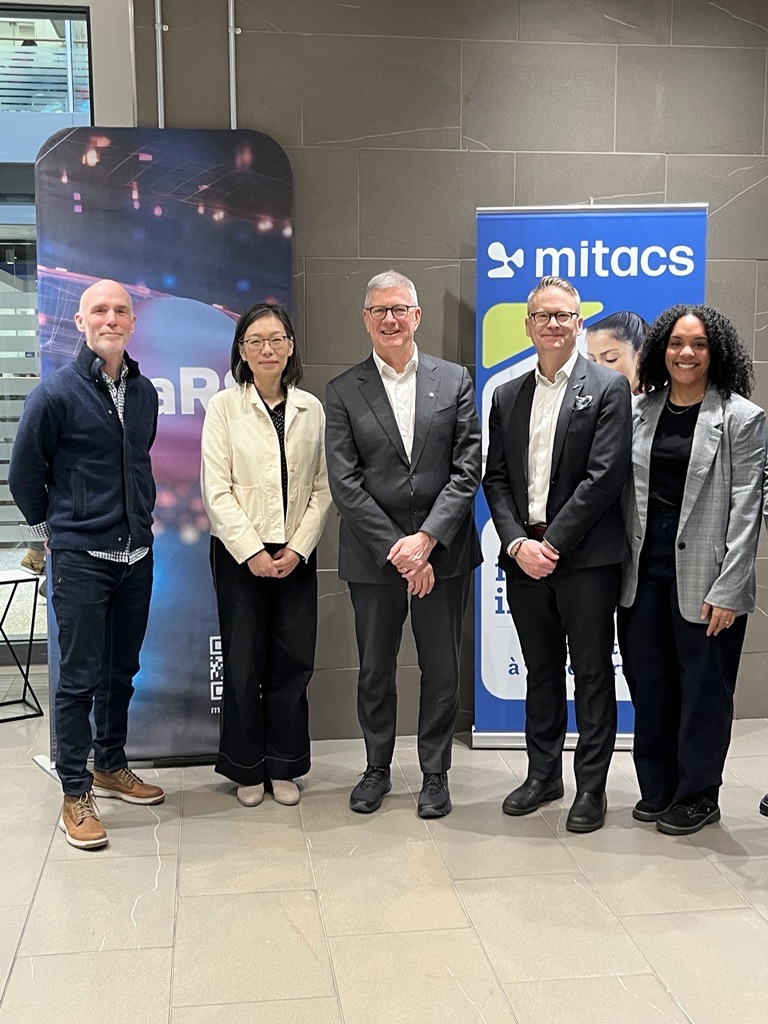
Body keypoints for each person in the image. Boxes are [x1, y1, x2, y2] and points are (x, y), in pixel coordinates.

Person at [8, 279, 163, 850]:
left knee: (121, 672)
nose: (111, 318)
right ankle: (75, 790)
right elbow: (26, 476)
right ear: (80, 322)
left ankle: (109, 764)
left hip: (136, 555)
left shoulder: (144, 392)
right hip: (81, 560)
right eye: (99, 309)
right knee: (76, 681)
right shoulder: (54, 394)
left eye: (121, 310)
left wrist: (141, 518)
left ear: (131, 322)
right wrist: (56, 533)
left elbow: (136, 467)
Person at [325, 271, 481, 819]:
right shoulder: (343, 390)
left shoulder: (455, 379)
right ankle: (377, 767)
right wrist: (400, 549)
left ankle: (435, 773)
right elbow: (344, 483)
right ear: (365, 319)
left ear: (417, 315)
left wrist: (427, 541)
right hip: (374, 559)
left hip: (445, 554)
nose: (390, 319)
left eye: (400, 309)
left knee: (442, 670)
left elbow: (467, 470)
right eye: (378, 310)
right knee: (375, 670)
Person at [483, 275, 632, 833]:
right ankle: (543, 775)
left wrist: (553, 544)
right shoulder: (507, 394)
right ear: (528, 325)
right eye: (542, 315)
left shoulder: (609, 387)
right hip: (525, 559)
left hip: (585, 560)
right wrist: (519, 543)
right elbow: (495, 479)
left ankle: (590, 789)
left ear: (578, 324)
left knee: (592, 674)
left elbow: (603, 478)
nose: (552, 324)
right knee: (541, 672)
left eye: (563, 316)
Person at [618, 305, 767, 836]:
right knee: (650, 684)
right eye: (677, 343)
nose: (686, 353)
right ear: (661, 349)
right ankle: (658, 788)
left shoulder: (740, 418)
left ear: (716, 352)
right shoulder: (639, 411)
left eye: (699, 344)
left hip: (709, 580)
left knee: (704, 692)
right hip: (642, 576)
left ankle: (700, 794)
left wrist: (730, 587)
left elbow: (748, 506)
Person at [201, 303, 331, 808]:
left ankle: (285, 764)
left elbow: (322, 489)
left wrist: (297, 548)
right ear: (241, 351)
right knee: (242, 660)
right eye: (255, 341)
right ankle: (245, 766)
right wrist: (252, 550)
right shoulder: (223, 408)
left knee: (292, 661)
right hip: (239, 555)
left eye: (276, 339)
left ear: (291, 345)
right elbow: (217, 490)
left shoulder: (311, 409)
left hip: (296, 553)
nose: (267, 349)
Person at [586, 310, 648, 393]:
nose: (598, 372)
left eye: (610, 359)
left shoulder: (661, 401)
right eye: (592, 361)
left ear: (640, 357)